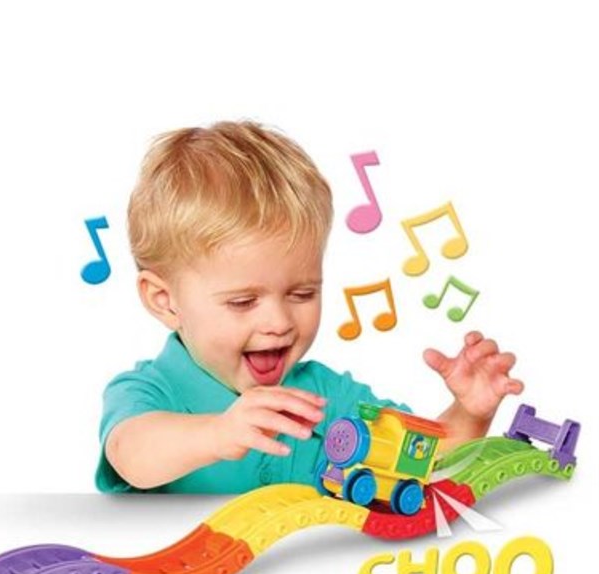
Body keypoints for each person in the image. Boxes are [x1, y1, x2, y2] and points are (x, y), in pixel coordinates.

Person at [95, 121, 522, 493]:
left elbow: (423, 458)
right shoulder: (148, 391)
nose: (279, 322)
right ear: (165, 301)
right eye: (243, 301)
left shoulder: (323, 395)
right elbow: (131, 453)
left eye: (302, 294)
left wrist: (469, 413)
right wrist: (219, 432)